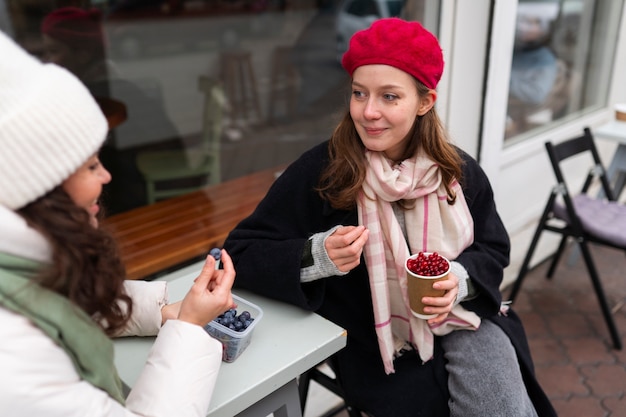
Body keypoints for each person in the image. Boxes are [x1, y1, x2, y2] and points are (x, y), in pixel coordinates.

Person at [224, 18, 556, 417]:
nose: (368, 112)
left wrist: (459, 280)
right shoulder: (323, 173)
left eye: (389, 97)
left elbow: (492, 247)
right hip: (380, 347)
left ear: (424, 102)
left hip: (464, 318)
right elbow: (240, 253)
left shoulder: (457, 174)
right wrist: (317, 256)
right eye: (359, 93)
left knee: (503, 408)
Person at [0, 31, 235, 416]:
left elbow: (71, 302)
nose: (106, 176)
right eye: (92, 165)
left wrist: (166, 312)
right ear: (40, 186)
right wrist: (190, 328)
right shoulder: (11, 354)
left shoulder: (28, 271)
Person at [41, 7, 185, 214]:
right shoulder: (104, 85)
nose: (46, 59)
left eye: (53, 51)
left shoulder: (101, 94)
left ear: (82, 55)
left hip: (152, 188)